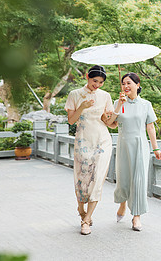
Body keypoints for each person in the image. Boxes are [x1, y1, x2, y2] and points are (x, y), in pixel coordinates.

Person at [104, 72, 161, 231]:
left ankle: (136, 216)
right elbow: (110, 123)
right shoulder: (118, 102)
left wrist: (155, 148)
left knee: (138, 179)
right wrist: (117, 106)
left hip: (140, 145)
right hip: (123, 145)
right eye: (123, 83)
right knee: (123, 178)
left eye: (129, 83)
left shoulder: (146, 104)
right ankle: (122, 203)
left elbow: (150, 127)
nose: (126, 86)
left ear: (138, 85)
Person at [65, 65, 114, 235]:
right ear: (87, 77)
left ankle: (86, 220)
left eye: (101, 82)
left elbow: (109, 122)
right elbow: (71, 121)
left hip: (103, 140)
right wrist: (82, 107)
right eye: (95, 81)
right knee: (82, 177)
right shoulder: (75, 94)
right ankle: (81, 209)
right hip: (83, 140)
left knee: (98, 178)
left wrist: (119, 105)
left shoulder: (106, 96)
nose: (97, 85)